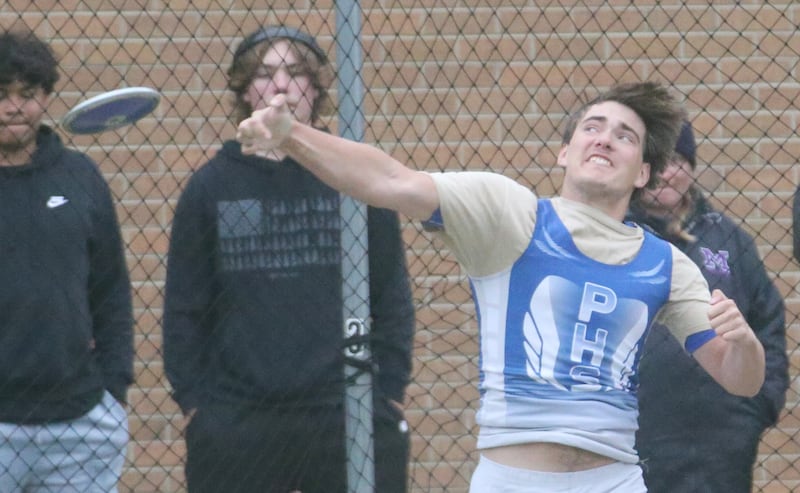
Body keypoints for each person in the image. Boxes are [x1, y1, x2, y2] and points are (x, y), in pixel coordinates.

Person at [236, 80, 767, 493]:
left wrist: (745, 345)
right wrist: (293, 135)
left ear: (643, 174)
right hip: (512, 479)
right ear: (564, 153)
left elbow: (739, 379)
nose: (605, 137)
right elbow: (390, 180)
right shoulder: (511, 215)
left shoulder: (667, 265)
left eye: (624, 135)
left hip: (615, 480)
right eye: (592, 127)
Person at [162, 25, 415, 493]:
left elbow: (391, 293)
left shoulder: (354, 180)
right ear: (243, 90)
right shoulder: (210, 188)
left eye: (295, 73)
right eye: (264, 73)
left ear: (316, 88)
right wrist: (196, 404)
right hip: (239, 416)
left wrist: (390, 390)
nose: (280, 86)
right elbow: (184, 307)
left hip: (345, 407)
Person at [0, 29, 134, 493]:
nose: (14, 107)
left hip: (79, 425)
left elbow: (111, 290)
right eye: (1, 94)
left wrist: (113, 393)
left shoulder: (80, 178)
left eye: (27, 94)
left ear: (45, 98)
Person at [629, 120, 788, 492]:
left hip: (720, 445)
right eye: (660, 161)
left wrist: (756, 406)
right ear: (640, 170)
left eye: (680, 160)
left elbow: (767, 323)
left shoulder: (729, 239)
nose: (669, 172)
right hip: (634, 437)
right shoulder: (616, 236)